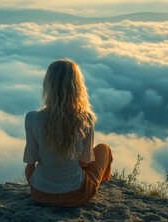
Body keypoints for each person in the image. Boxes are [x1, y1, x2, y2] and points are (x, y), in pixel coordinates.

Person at [23, 58, 113, 207]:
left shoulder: (32, 118)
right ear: (77, 86)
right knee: (104, 149)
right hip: (77, 195)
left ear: (48, 85)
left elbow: (30, 164)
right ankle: (106, 186)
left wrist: (37, 188)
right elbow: (84, 163)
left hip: (40, 195)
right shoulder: (86, 118)